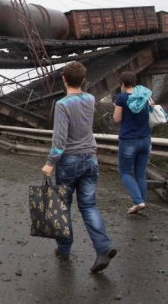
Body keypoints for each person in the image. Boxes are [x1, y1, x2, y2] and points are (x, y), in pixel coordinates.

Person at [40, 61, 117, 273]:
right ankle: (103, 247)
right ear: (83, 80)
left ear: (63, 79)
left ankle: (64, 248)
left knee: (62, 207)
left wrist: (50, 163)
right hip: (90, 159)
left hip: (69, 162)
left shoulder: (63, 105)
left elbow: (60, 139)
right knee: (89, 206)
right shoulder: (90, 99)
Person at [113, 71, 153, 215]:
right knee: (140, 174)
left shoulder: (121, 97)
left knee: (124, 172)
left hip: (129, 139)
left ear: (122, 84)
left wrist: (117, 107)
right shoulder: (144, 96)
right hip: (145, 139)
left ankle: (138, 201)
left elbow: (117, 119)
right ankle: (141, 204)